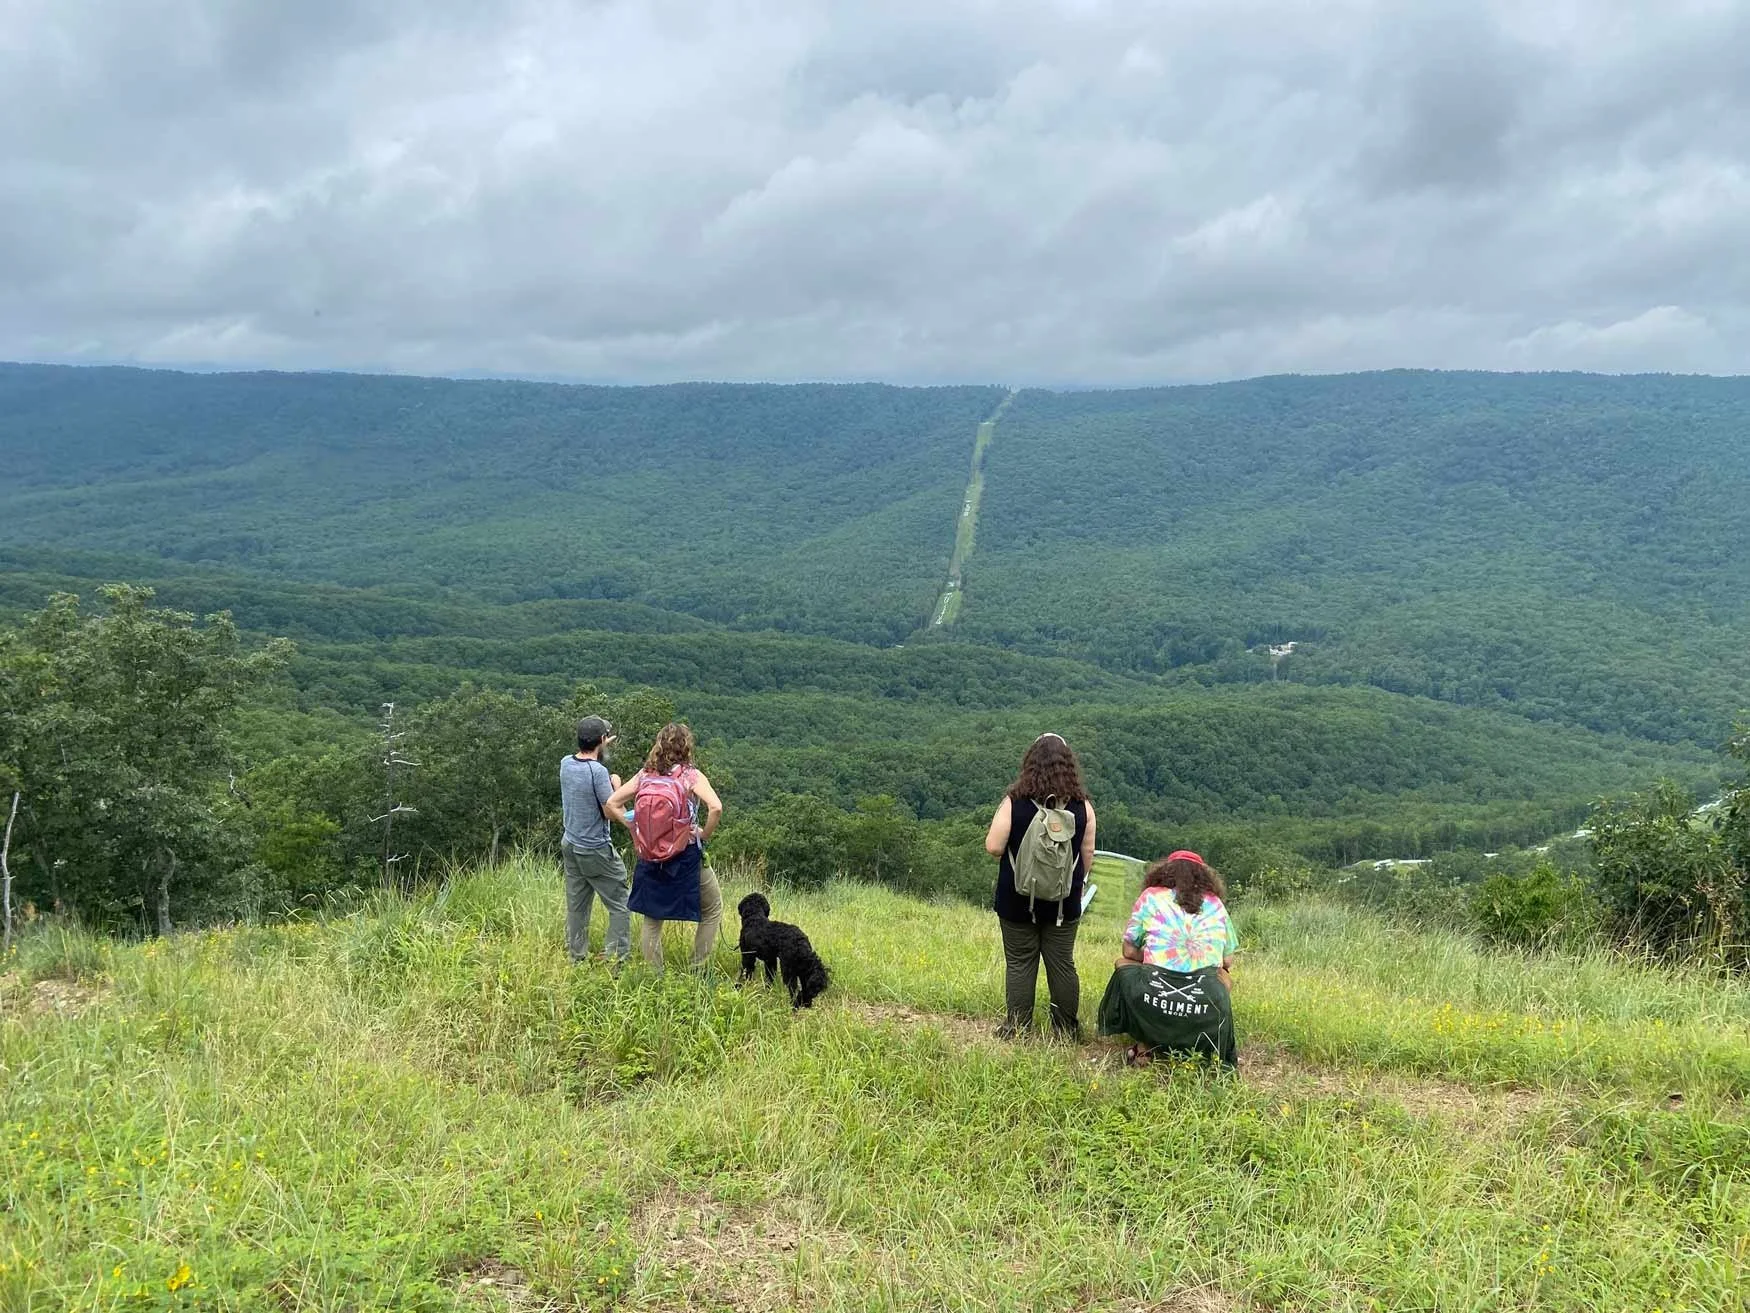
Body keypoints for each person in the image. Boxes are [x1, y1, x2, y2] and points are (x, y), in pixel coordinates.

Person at [984, 733, 1097, 1039]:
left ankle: (1017, 1029)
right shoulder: (1082, 807)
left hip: (1016, 898)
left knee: (1020, 963)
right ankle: (1065, 1032)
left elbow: (994, 846)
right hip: (1063, 901)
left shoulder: (1014, 802)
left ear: (1030, 762)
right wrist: (1075, 885)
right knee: (1062, 964)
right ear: (1068, 765)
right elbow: (1087, 855)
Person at [1097, 850, 1238, 1068]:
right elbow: (1227, 960)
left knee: (1121, 964)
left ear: (1165, 872)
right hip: (1203, 997)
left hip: (1154, 991)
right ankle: (1195, 1038)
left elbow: (1128, 951)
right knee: (1224, 977)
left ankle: (1145, 1044)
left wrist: (1156, 955)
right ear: (1204, 876)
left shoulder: (1151, 896)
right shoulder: (1215, 903)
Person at [605, 722, 723, 970]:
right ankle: (697, 968)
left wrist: (636, 828)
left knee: (652, 918)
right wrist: (704, 834)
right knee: (712, 908)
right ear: (687, 747)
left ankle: (654, 974)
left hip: (650, 856)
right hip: (685, 854)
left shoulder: (645, 774)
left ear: (659, 745)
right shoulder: (691, 775)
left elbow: (613, 802)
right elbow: (716, 807)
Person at [559, 715, 632, 964]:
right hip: (595, 848)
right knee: (620, 901)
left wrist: (601, 746)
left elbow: (587, 765)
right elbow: (609, 810)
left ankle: (576, 957)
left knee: (577, 905)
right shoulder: (598, 772)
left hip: (571, 843)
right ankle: (616, 959)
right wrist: (616, 785)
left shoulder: (565, 764)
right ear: (602, 739)